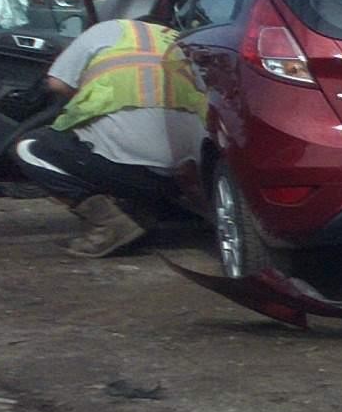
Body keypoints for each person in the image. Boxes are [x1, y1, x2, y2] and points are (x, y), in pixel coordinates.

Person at [13, 15, 205, 258]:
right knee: (123, 140)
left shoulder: (104, 31)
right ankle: (140, 211)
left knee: (30, 148)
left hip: (134, 173)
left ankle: (110, 224)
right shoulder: (182, 42)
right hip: (188, 181)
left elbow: (57, 84)